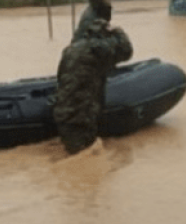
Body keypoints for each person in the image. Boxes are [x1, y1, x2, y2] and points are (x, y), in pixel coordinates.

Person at [52, 18, 133, 155]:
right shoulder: (100, 49)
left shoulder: (70, 50)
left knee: (72, 156)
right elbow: (127, 51)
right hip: (82, 118)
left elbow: (60, 78)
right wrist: (117, 30)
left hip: (63, 113)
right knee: (85, 159)